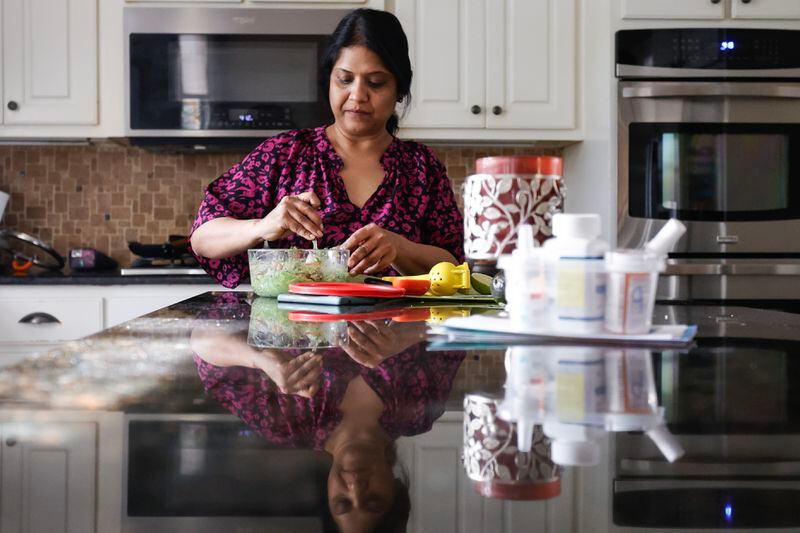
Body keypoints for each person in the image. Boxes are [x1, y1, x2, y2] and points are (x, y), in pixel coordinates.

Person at [190, 8, 464, 288]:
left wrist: (400, 248)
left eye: (376, 82)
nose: (357, 95)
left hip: (397, 330)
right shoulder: (285, 154)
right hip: (296, 329)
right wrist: (262, 226)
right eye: (345, 80)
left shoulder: (421, 166)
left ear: (400, 89)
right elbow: (202, 237)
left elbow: (455, 265)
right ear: (329, 82)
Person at [190, 306, 465, 532]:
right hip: (385, 257)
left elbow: (201, 339)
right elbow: (466, 321)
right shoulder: (416, 412)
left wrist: (263, 360)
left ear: (327, 494)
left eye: (342, 503)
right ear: (395, 492)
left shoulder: (287, 424)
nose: (356, 487)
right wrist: (409, 333)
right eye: (374, 501)